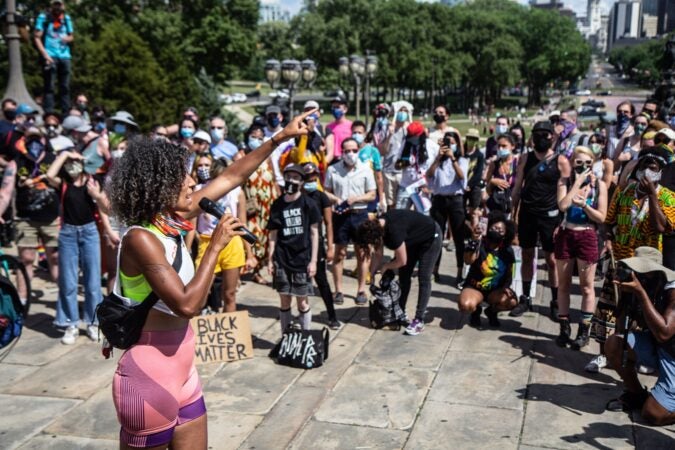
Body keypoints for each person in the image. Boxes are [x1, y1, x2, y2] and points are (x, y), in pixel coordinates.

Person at [106, 110, 313, 449]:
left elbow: (231, 177)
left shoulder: (172, 220)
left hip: (185, 372)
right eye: (182, 178)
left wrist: (280, 137)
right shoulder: (140, 239)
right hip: (149, 377)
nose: (192, 183)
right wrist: (216, 245)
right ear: (157, 186)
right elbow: (187, 304)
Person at [604, 247, 675, 425]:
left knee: (652, 414)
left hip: (672, 355)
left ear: (657, 274)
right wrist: (626, 297)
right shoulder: (645, 284)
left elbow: (664, 333)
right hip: (657, 348)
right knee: (614, 344)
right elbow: (621, 330)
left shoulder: (672, 291)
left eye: (642, 272)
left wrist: (640, 293)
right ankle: (637, 394)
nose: (637, 276)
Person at [510, 121, 571, 318]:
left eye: (546, 134)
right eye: (538, 134)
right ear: (532, 136)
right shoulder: (525, 158)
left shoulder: (560, 161)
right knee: (527, 255)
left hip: (550, 216)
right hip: (528, 214)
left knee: (552, 260)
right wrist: (514, 214)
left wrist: (562, 221)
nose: (542, 138)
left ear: (552, 137)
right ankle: (525, 298)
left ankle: (555, 301)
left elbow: (564, 194)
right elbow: (517, 187)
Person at [45, 149, 105, 344]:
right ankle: (70, 323)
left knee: (93, 283)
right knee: (68, 282)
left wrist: (95, 194)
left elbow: (106, 206)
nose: (72, 165)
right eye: (69, 163)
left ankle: (93, 323)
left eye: (75, 162)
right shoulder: (63, 184)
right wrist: (64, 155)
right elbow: (49, 174)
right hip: (68, 234)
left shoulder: (92, 181)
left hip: (89, 233)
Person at [554, 146, 608, 349]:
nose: (583, 166)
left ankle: (584, 331)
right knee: (564, 285)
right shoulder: (565, 182)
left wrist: (585, 205)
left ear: (593, 163)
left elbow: (601, 217)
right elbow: (563, 205)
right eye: (579, 162)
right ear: (572, 162)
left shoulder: (600, 186)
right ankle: (564, 327)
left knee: (587, 286)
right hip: (566, 233)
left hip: (587, 235)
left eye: (588, 163)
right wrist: (576, 183)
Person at [357, 209, 442, 336]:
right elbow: (378, 254)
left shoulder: (394, 232)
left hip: (430, 237)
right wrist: (373, 272)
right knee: (404, 277)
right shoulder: (378, 225)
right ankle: (400, 312)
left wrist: (386, 266)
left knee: (424, 277)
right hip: (412, 238)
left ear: (376, 236)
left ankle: (419, 320)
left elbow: (402, 261)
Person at [267, 164, 320, 334]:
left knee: (302, 302)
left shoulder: (308, 204)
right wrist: (270, 259)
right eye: (289, 176)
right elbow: (273, 234)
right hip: (282, 259)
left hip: (302, 259)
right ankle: (286, 338)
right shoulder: (277, 205)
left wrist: (313, 261)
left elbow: (314, 233)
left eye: (296, 178)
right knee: (284, 301)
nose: (292, 180)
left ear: (302, 182)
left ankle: (305, 337)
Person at [194, 157, 250, 313]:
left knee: (230, 294)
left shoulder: (237, 192)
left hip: (232, 243)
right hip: (207, 242)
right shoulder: (200, 189)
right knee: (198, 298)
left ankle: (230, 334)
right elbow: (192, 225)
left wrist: (250, 254)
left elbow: (242, 223)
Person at [324, 138, 377, 306]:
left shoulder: (365, 169)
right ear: (342, 152)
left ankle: (361, 289)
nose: (351, 154)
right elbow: (326, 191)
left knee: (362, 253)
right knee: (340, 253)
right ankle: (338, 290)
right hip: (341, 215)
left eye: (354, 150)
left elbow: (372, 194)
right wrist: (336, 199)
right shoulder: (333, 169)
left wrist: (356, 199)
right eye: (347, 151)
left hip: (360, 213)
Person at [458, 212, 518, 327]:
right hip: (475, 287)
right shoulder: (479, 244)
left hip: (494, 291)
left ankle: (492, 312)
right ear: (488, 228)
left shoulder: (508, 251)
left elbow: (510, 273)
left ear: (505, 235)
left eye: (501, 231)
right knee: (465, 305)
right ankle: (475, 312)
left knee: (511, 302)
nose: (497, 232)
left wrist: (506, 288)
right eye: (494, 228)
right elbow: (468, 260)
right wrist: (474, 240)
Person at [302, 162, 340, 329]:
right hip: (299, 245)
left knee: (322, 281)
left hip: (316, 245)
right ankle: (304, 317)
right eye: (307, 177)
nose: (311, 180)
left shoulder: (321, 196)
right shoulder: (296, 196)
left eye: (313, 177)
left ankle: (332, 315)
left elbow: (329, 223)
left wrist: (330, 246)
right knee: (301, 284)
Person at [427, 130, 468, 284]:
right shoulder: (438, 160)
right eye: (447, 143)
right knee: (437, 235)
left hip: (455, 199)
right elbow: (429, 175)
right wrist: (439, 157)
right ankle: (434, 270)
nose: (449, 146)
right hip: (439, 199)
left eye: (452, 143)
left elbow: (462, 176)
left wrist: (452, 158)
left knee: (458, 237)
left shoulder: (461, 160)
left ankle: (459, 272)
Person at [242, 125, 278, 285]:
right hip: (251, 205)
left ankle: (257, 270)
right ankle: (244, 269)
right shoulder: (241, 156)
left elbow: (274, 179)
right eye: (253, 136)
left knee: (264, 238)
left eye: (260, 137)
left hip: (267, 205)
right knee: (251, 237)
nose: (256, 139)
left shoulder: (267, 157)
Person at [34, 0, 74, 114]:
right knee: (49, 86)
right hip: (50, 55)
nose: (57, 7)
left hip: (65, 55)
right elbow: (36, 37)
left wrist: (67, 39)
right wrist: (45, 55)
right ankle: (49, 112)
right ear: (51, 5)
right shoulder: (44, 18)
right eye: (55, 4)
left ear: (63, 6)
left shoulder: (66, 19)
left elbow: (71, 36)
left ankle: (66, 112)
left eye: (59, 4)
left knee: (65, 86)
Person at [485, 133, 518, 216]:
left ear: (512, 146)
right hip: (496, 206)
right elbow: (488, 191)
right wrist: (492, 181)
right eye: (499, 146)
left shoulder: (518, 163)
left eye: (504, 146)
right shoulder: (494, 164)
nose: (500, 149)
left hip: (512, 207)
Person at [325, 96, 352, 164]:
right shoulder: (328, 127)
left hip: (346, 159)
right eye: (333, 107)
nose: (335, 109)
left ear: (345, 109)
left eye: (337, 107)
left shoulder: (351, 126)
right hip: (332, 161)